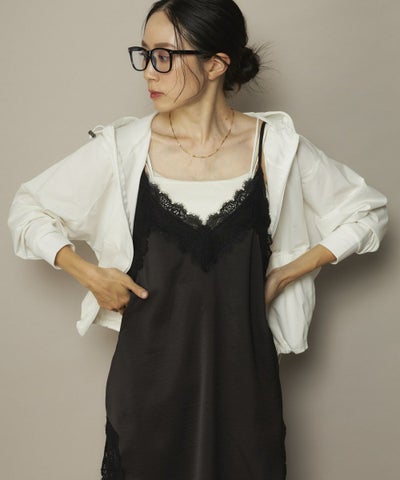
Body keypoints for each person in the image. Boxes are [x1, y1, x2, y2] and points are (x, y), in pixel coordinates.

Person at [8, 0, 388, 478]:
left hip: (245, 387)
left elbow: (368, 211)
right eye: (144, 54)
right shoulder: (123, 151)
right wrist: (88, 274)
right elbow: (28, 209)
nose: (149, 71)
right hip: (147, 388)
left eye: (164, 56)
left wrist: (287, 273)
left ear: (216, 64)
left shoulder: (275, 149)